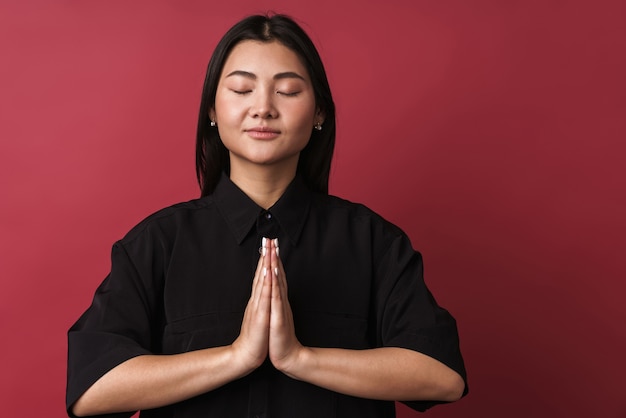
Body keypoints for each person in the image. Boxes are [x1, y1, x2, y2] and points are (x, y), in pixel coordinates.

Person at [66, 13, 467, 418]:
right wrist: (236, 357)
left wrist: (300, 358)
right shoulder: (158, 244)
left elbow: (442, 376)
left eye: (288, 91)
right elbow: (92, 388)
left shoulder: (372, 242)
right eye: (242, 89)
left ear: (319, 114)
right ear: (212, 109)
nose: (263, 108)